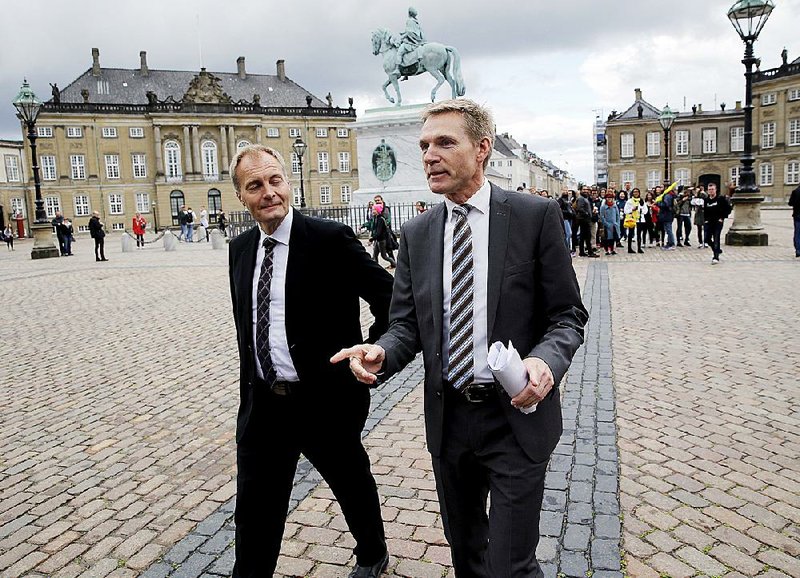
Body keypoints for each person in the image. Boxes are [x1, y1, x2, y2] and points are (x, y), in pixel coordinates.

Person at [332, 99, 589, 578]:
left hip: (515, 413)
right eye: (425, 145)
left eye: (445, 143)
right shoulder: (417, 233)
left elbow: (567, 315)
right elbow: (407, 324)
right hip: (450, 421)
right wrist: (382, 350)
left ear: (483, 149)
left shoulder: (535, 217)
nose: (430, 155)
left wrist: (545, 362)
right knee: (466, 555)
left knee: (510, 563)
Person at [227, 144, 393, 578]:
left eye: (275, 180)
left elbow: (390, 297)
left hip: (326, 399)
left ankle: (373, 552)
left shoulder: (329, 239)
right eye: (255, 185)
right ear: (242, 197)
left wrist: (373, 348)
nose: (269, 192)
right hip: (264, 402)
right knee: (255, 507)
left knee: (350, 481)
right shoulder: (240, 249)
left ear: (287, 182)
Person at [704, 182, 731, 265]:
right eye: (709, 190)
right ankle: (717, 250)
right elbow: (705, 211)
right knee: (707, 239)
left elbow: (728, 209)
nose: (711, 191)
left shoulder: (721, 199)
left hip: (718, 222)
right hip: (709, 222)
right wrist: (705, 220)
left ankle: (716, 257)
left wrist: (722, 217)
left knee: (716, 237)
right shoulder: (706, 200)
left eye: (712, 189)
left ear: (715, 190)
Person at [396, 6, 426, 79]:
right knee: (407, 56)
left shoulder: (409, 21)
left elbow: (409, 32)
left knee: (399, 52)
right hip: (418, 40)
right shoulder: (416, 22)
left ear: (409, 13)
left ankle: (397, 69)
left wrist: (402, 37)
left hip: (412, 41)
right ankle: (406, 73)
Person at [370, 204, 397, 268]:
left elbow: (379, 232)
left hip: (382, 240)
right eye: (372, 209)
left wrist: (372, 238)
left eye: (374, 210)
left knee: (384, 256)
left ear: (378, 211)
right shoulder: (376, 218)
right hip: (378, 240)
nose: (372, 211)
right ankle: (375, 267)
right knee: (375, 255)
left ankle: (395, 264)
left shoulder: (380, 219)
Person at [575, 187, 598, 257]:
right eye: (584, 190)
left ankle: (582, 252)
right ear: (581, 190)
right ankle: (590, 252)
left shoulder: (585, 198)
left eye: (587, 190)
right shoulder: (581, 198)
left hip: (585, 219)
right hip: (583, 220)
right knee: (587, 236)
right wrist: (587, 213)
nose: (585, 191)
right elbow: (579, 208)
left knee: (583, 236)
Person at [624, 188, 647, 254]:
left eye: (637, 192)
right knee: (630, 234)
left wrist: (641, 209)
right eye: (634, 192)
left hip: (639, 219)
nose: (636, 193)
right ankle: (629, 248)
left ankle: (639, 248)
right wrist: (632, 209)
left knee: (639, 234)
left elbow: (645, 211)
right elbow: (626, 211)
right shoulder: (629, 201)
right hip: (632, 219)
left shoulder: (641, 201)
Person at [790, 184, 800, 258]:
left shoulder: (795, 191)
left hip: (797, 215)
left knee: (797, 233)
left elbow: (790, 203)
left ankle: (798, 250)